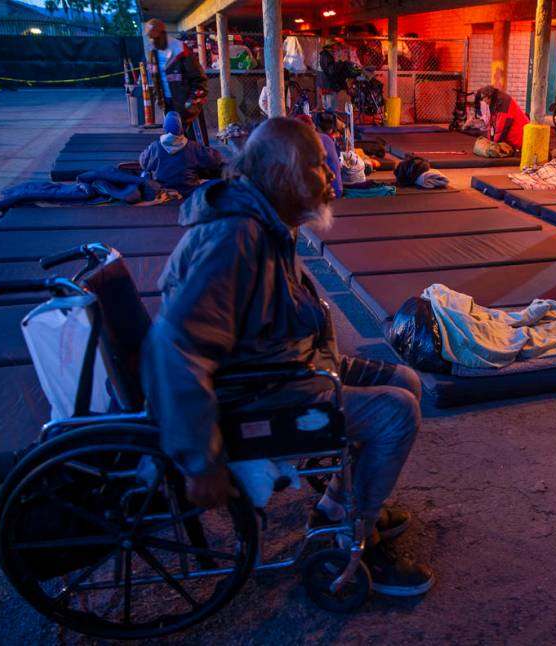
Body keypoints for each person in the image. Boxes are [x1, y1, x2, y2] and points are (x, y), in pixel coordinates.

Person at [141, 117, 432, 597]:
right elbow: (175, 347)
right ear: (284, 175)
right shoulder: (236, 237)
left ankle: (339, 506)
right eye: (320, 166)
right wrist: (199, 459)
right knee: (396, 414)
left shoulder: (263, 223)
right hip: (253, 390)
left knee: (407, 379)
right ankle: (351, 542)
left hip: (282, 365)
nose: (331, 179)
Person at [144, 19, 209, 141]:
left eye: (155, 38)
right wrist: (158, 98)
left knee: (191, 141)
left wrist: (191, 102)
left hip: (185, 106)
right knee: (173, 140)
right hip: (167, 103)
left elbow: (199, 79)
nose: (153, 41)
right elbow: (155, 78)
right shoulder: (153, 51)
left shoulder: (179, 49)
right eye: (151, 38)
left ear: (163, 34)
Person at [138, 112, 224, 197]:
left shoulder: (155, 146)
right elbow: (215, 160)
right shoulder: (192, 146)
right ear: (181, 128)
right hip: (189, 190)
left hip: (163, 189)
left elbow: (143, 163)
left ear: (165, 128)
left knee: (145, 173)